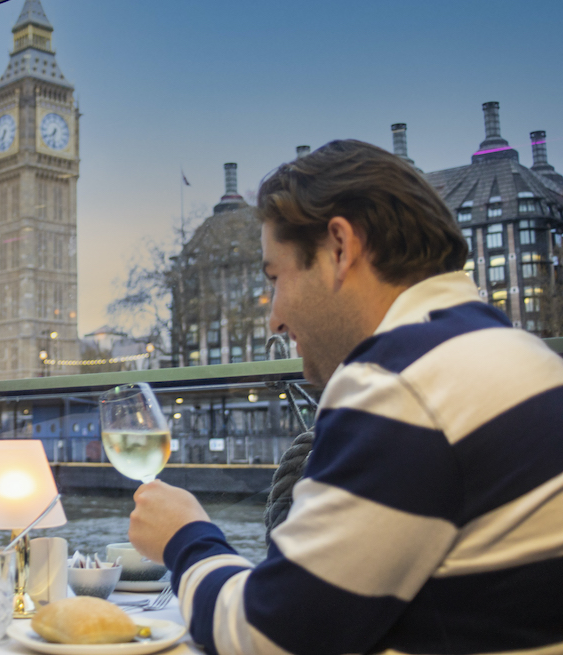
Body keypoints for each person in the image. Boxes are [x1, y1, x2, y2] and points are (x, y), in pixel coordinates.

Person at [128, 140, 563, 655]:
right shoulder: (528, 358)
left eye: (276, 278)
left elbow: (268, 638)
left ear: (340, 247)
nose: (274, 318)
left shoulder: (398, 383)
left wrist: (186, 537)